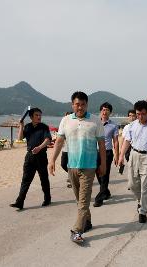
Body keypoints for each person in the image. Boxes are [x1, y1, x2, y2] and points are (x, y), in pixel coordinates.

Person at [49, 91, 106, 243]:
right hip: (72, 166)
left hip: (89, 167)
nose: (80, 107)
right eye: (77, 104)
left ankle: (76, 231)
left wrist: (103, 164)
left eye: (83, 104)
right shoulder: (66, 120)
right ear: (72, 105)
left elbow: (101, 145)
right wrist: (52, 160)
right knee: (79, 200)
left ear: (87, 104)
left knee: (83, 201)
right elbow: (59, 141)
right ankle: (87, 222)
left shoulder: (95, 121)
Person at [118, 100, 147, 223]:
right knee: (132, 184)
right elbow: (127, 141)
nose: (140, 117)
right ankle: (140, 200)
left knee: (146, 186)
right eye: (138, 114)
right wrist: (121, 156)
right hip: (134, 155)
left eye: (143, 114)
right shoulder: (132, 125)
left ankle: (143, 210)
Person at [10, 107, 52, 210]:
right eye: (37, 115)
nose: (39, 117)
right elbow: (19, 139)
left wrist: (39, 147)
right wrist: (21, 126)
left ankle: (47, 198)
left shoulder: (44, 127)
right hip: (30, 157)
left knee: (44, 179)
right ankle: (20, 202)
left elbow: (47, 140)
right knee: (25, 180)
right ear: (31, 117)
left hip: (41, 156)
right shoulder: (28, 127)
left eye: (40, 115)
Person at [93, 102, 119, 207]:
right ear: (100, 111)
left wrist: (117, 155)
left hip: (107, 152)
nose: (105, 111)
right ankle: (106, 192)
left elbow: (116, 141)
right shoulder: (95, 124)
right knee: (98, 173)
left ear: (110, 112)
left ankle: (100, 198)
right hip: (95, 152)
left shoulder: (113, 125)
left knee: (105, 175)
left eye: (107, 110)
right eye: (103, 109)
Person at [61, 111, 73, 188]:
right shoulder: (64, 125)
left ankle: (72, 180)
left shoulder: (74, 126)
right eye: (66, 116)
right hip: (65, 149)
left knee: (72, 166)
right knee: (63, 164)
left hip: (73, 150)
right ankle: (72, 176)